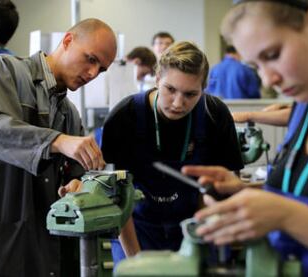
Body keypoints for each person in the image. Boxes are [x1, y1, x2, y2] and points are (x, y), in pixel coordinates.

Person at [182, 0, 308, 276]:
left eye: (273, 54)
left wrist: (285, 215)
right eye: (255, 65)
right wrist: (245, 194)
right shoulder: (304, 108)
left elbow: (294, 214)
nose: (268, 80)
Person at [0, 18, 117, 276]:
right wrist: (57, 141)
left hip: (32, 250)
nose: (93, 74)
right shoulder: (3, 70)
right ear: (68, 41)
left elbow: (75, 174)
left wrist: (76, 186)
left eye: (101, 70)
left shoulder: (69, 114)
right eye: (90, 59)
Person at [101, 41, 243, 264]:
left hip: (194, 226)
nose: (178, 103)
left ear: (203, 88)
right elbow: (116, 197)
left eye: (190, 94)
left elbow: (220, 187)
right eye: (170, 89)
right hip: (135, 228)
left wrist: (198, 238)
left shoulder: (214, 115)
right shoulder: (124, 117)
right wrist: (136, 263)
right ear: (157, 79)